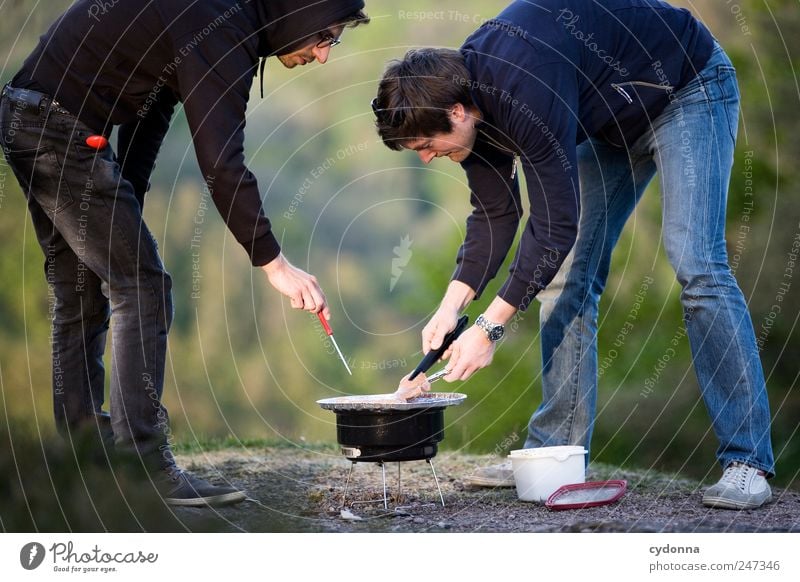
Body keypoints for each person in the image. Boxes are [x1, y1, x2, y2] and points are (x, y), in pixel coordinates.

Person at [374, 0, 774, 509]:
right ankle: (555, 453)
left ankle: (747, 462)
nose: (429, 157)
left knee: (696, 262)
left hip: (685, 89)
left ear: (456, 112)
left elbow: (554, 225)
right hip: (605, 120)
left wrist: (490, 327)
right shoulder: (469, 106)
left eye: (428, 144)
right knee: (565, 278)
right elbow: (495, 216)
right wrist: (451, 307)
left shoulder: (522, 86)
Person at [0, 0, 368, 507]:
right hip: (57, 131)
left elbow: (151, 109)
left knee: (82, 288)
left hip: (30, 115)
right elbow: (221, 161)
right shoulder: (223, 25)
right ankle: (143, 469)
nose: (324, 55)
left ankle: (85, 457)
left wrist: (124, 197)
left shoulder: (217, 19)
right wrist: (273, 264)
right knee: (142, 287)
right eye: (326, 35)